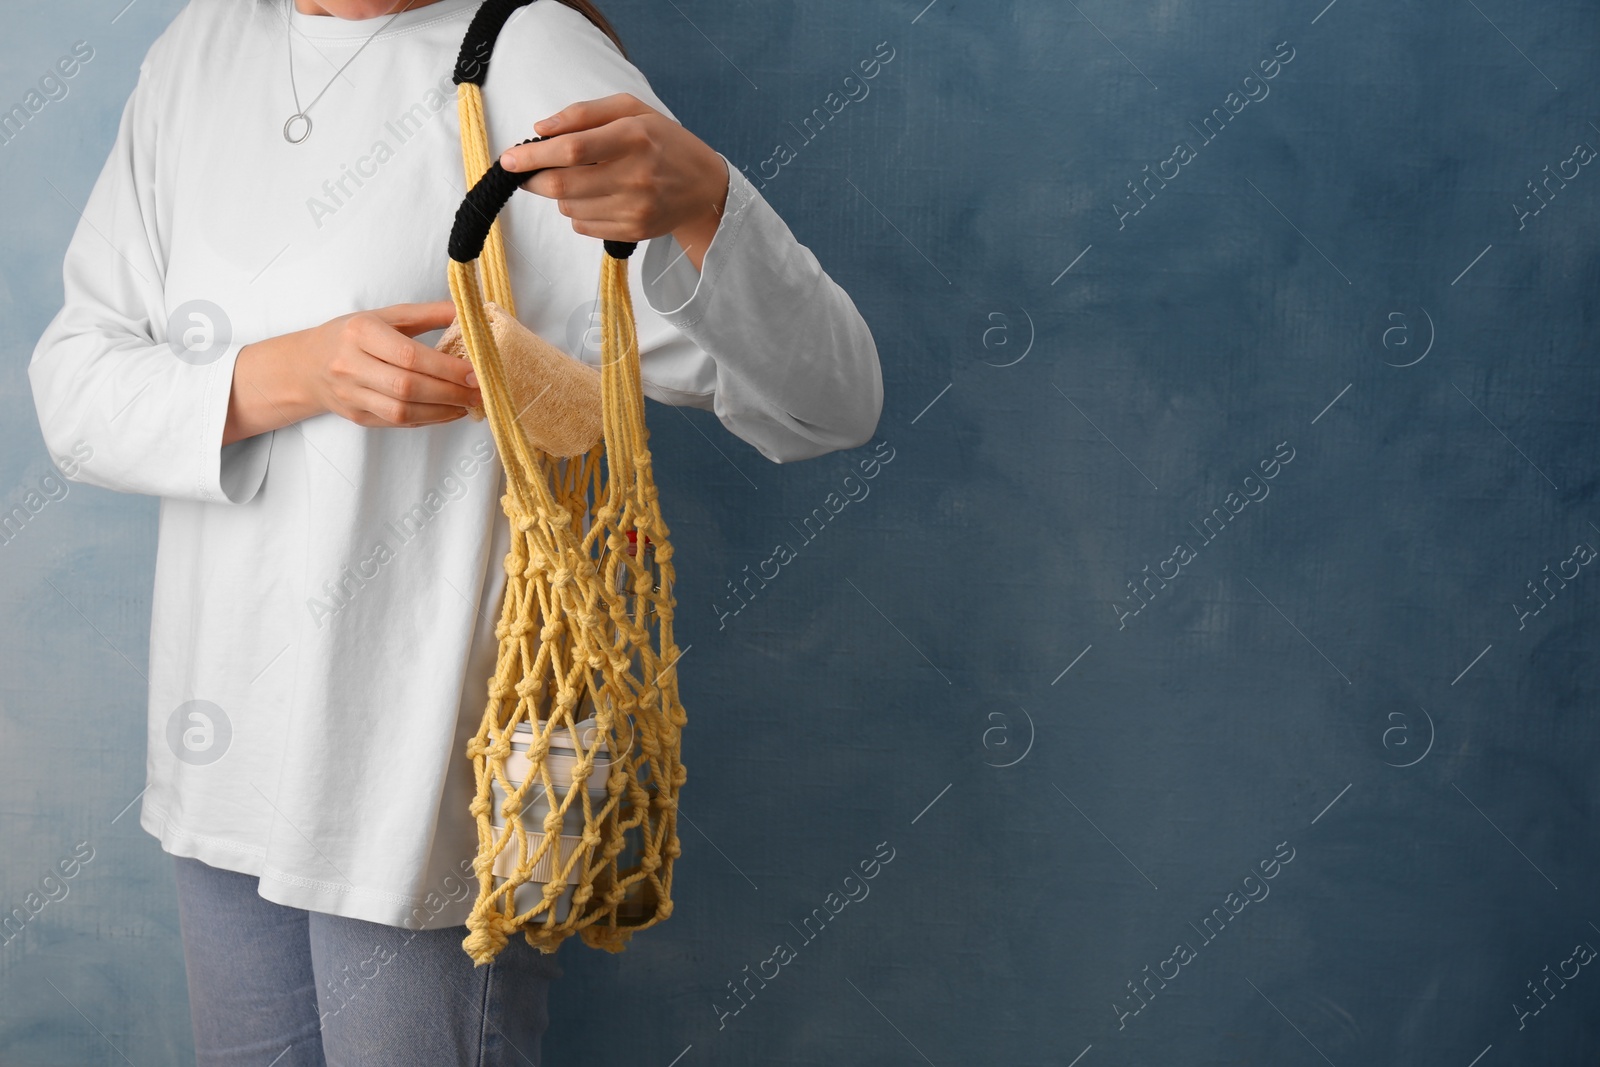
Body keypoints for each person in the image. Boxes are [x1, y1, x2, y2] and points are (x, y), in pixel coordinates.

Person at [27, 0, 883, 1062]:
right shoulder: (203, 43)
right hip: (219, 761)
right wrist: (297, 370)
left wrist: (707, 202)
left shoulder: (526, 58)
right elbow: (76, 389)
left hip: (419, 788)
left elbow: (831, 403)